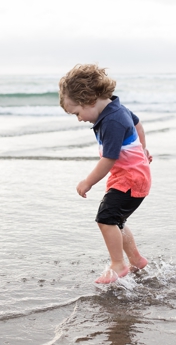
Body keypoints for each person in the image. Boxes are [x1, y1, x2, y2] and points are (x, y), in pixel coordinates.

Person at [59, 64, 153, 285]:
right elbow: (138, 124)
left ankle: (118, 265)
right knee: (116, 220)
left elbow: (108, 159)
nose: (79, 119)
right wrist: (143, 148)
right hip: (132, 176)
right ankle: (136, 260)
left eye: (77, 112)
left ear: (90, 99)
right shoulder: (116, 110)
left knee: (105, 219)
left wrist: (87, 182)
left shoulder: (112, 120)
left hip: (130, 179)